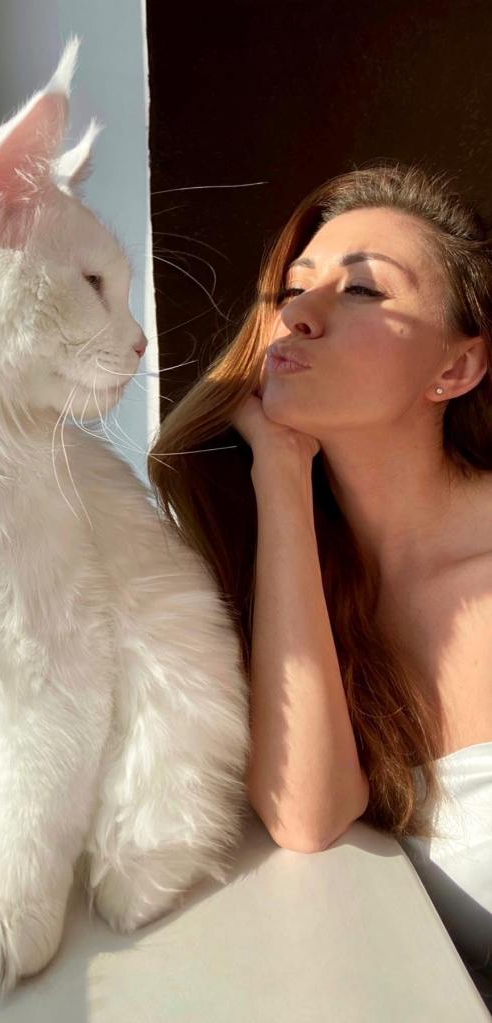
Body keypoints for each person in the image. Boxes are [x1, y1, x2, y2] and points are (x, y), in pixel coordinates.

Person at [147, 162, 492, 1002]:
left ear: (455, 368)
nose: (297, 315)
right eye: (292, 290)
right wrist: (280, 473)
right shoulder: (296, 584)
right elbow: (307, 814)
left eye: (364, 291)